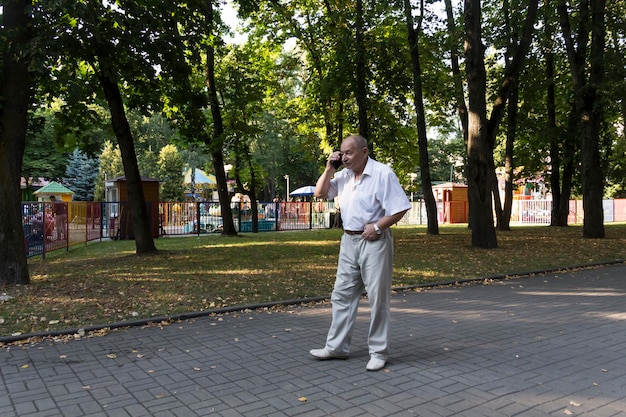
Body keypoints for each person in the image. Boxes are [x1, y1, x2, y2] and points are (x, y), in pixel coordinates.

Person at [310, 135, 411, 371]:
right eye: (342, 153)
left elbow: (400, 207)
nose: (344, 157)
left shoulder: (382, 174)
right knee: (342, 294)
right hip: (349, 240)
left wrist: (377, 227)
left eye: (349, 153)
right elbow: (320, 193)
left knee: (377, 297)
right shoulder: (344, 176)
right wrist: (328, 168)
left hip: (374, 241)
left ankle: (378, 351)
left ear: (364, 152)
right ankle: (336, 347)